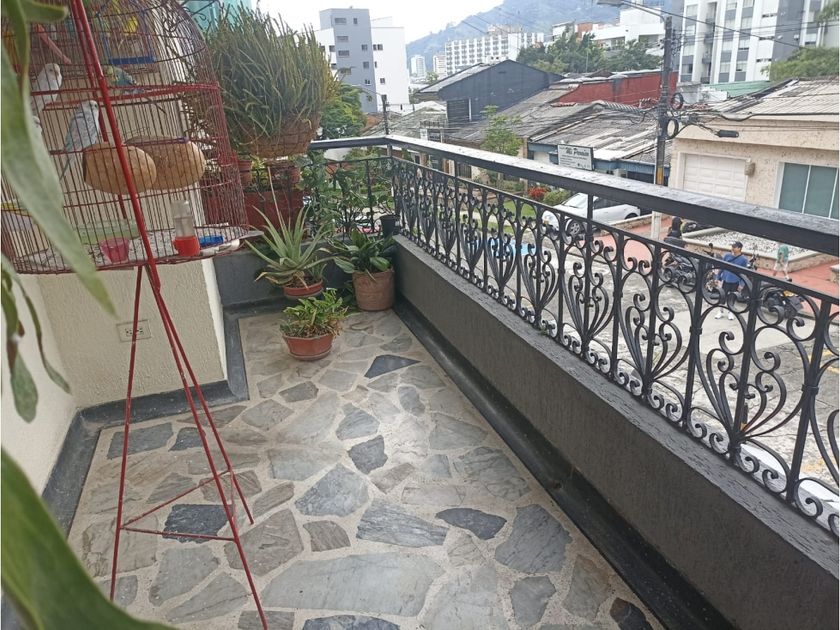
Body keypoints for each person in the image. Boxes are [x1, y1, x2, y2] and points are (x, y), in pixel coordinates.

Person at [716, 241, 749, 320]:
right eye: (732, 247)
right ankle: (720, 311)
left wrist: (741, 284)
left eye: (734, 247)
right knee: (723, 295)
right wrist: (718, 277)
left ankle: (730, 311)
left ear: (739, 248)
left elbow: (744, 272)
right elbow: (722, 266)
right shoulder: (727, 255)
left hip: (735, 281)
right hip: (726, 279)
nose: (732, 248)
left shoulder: (743, 259)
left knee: (732, 297)